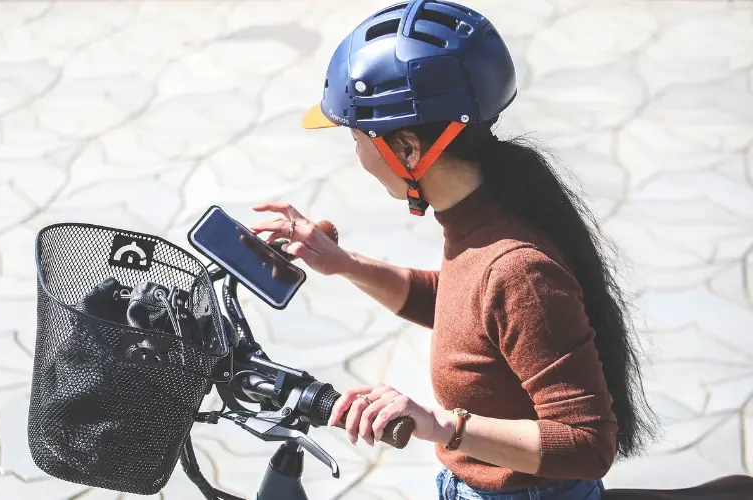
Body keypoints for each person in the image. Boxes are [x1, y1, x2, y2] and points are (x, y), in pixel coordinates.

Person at [250, 1, 656, 499]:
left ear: (407, 150)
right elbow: (468, 312)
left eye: (357, 139)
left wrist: (438, 424)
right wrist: (343, 263)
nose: (356, 155)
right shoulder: (484, 212)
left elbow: (589, 444)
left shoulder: (520, 270)